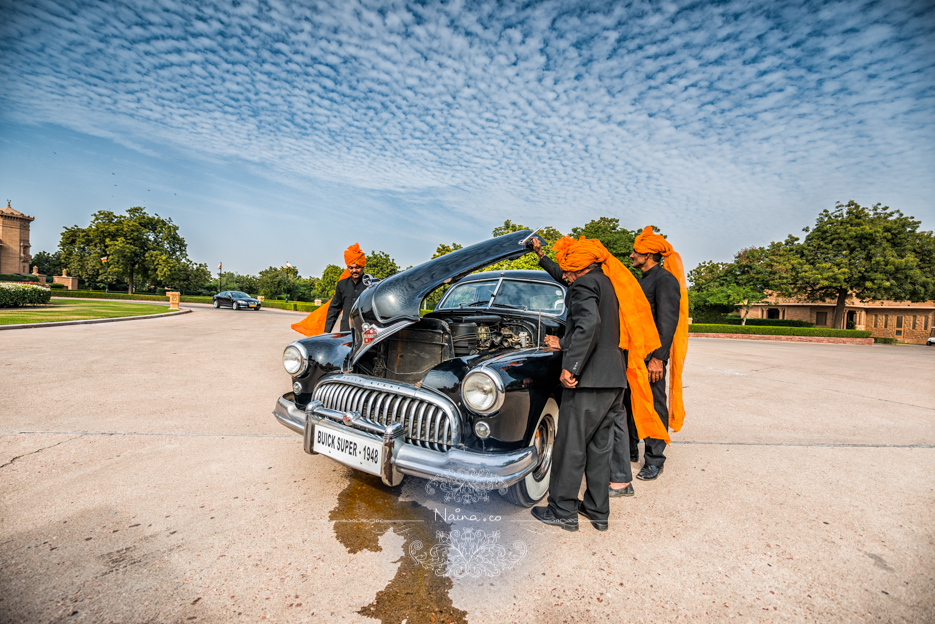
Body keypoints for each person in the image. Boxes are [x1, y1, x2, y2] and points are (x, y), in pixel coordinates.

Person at [529, 236, 663, 532]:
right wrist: (540, 255)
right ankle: (597, 510)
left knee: (570, 447)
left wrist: (570, 365)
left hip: (588, 381)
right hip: (614, 379)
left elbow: (589, 325)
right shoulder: (611, 284)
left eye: (568, 270)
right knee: (599, 447)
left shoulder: (583, 285)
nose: (567, 275)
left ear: (578, 267)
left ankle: (562, 509)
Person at [613, 227, 689, 482]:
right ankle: (632, 450)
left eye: (636, 251)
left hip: (650, 358)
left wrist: (658, 358)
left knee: (654, 406)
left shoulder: (664, 279)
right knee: (631, 404)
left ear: (649, 254)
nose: (631, 255)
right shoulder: (641, 280)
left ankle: (655, 460)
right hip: (633, 356)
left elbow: (668, 322)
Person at [291, 243, 368, 336]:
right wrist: (327, 331)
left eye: (357, 267)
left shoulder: (371, 284)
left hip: (367, 331)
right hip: (346, 331)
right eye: (351, 268)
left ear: (362, 266)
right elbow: (334, 309)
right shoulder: (342, 285)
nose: (354, 271)